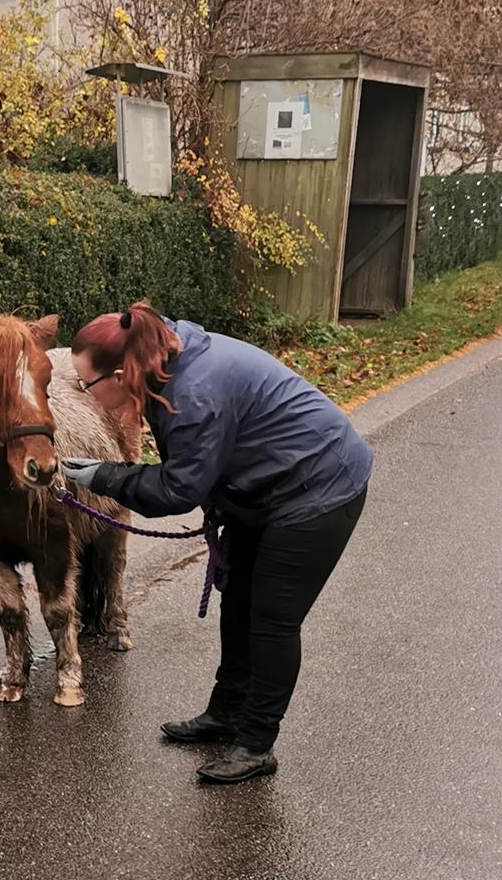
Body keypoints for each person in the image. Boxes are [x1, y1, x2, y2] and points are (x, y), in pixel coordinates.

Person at [62, 301, 372, 785]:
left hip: (320, 489)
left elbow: (177, 489)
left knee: (271, 620)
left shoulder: (192, 392)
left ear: (121, 374)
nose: (87, 395)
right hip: (265, 491)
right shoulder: (165, 364)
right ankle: (226, 712)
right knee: (239, 601)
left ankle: (256, 745)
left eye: (86, 385)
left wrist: (107, 476)